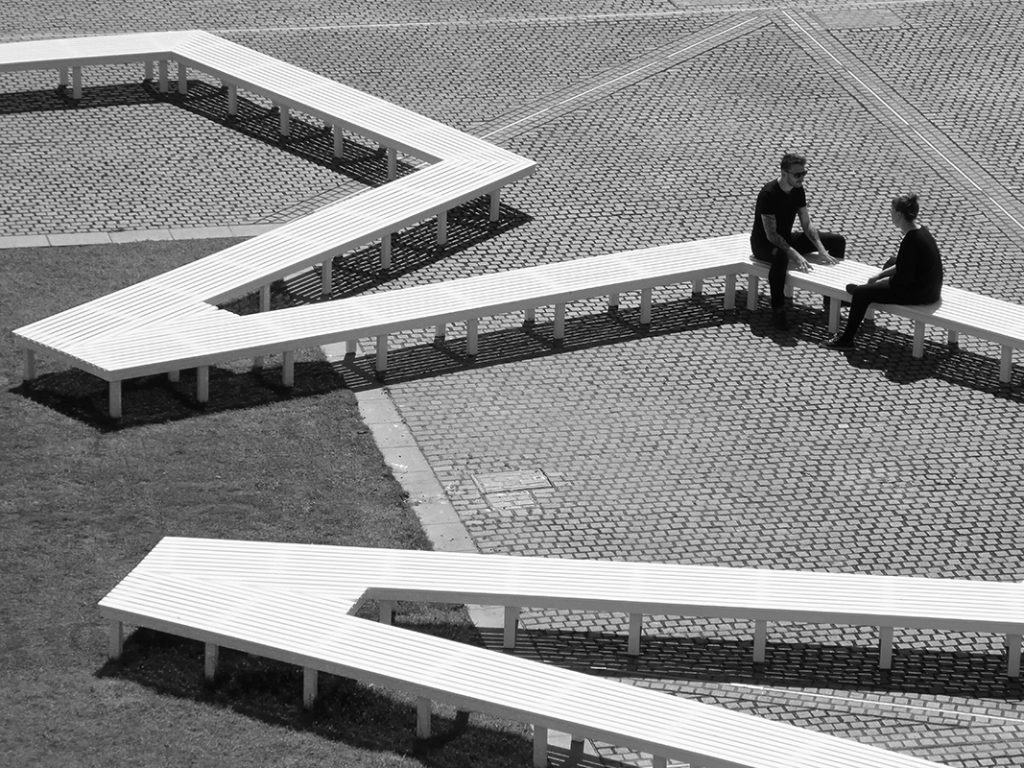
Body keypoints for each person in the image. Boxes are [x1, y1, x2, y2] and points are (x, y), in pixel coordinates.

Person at [825, 193, 943, 350]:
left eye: (892, 211)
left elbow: (903, 279)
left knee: (861, 293)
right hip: (929, 287)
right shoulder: (922, 231)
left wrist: (881, 282)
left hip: (921, 293)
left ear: (899, 214)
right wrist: (879, 276)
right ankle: (863, 298)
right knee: (891, 262)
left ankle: (847, 339)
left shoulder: (911, 241)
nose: (890, 214)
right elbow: (902, 264)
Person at [751, 152, 846, 329]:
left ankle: (830, 299)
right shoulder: (768, 194)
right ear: (784, 173)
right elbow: (771, 235)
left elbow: (806, 222)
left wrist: (821, 248)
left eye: (804, 173)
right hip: (763, 244)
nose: (801, 178)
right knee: (781, 257)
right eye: (797, 174)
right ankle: (778, 309)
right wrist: (795, 255)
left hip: (786, 239)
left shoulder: (798, 190)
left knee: (837, 241)